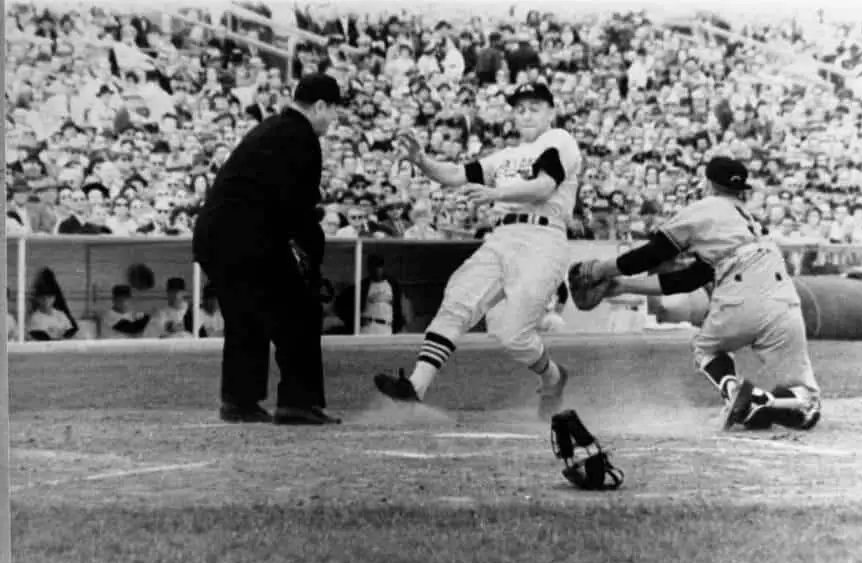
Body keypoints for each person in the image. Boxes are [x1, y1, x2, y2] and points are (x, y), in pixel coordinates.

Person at [374, 82, 581, 420]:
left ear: (551, 112)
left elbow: (545, 186)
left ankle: (553, 377)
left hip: (543, 239)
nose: (527, 113)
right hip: (503, 236)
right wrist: (422, 160)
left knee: (514, 337)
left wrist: (495, 194)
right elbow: (456, 174)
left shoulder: (559, 140)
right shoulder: (506, 156)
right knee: (457, 300)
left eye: (535, 107)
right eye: (521, 108)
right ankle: (416, 386)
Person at [572, 157, 822, 431]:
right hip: (784, 299)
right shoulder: (750, 221)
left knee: (705, 348)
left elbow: (653, 253)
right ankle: (771, 403)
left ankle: (737, 393)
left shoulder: (705, 208)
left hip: (740, 294)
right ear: (741, 190)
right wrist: (623, 286)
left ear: (709, 183)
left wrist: (601, 270)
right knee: (806, 401)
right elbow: (689, 279)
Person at [192, 73, 343, 426]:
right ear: (320, 106)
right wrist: (312, 265)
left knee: (247, 317)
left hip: (218, 237)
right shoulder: (301, 138)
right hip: (245, 238)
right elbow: (298, 210)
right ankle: (298, 402)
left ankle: (239, 400)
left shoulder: (274, 128)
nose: (333, 120)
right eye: (333, 111)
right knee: (300, 309)